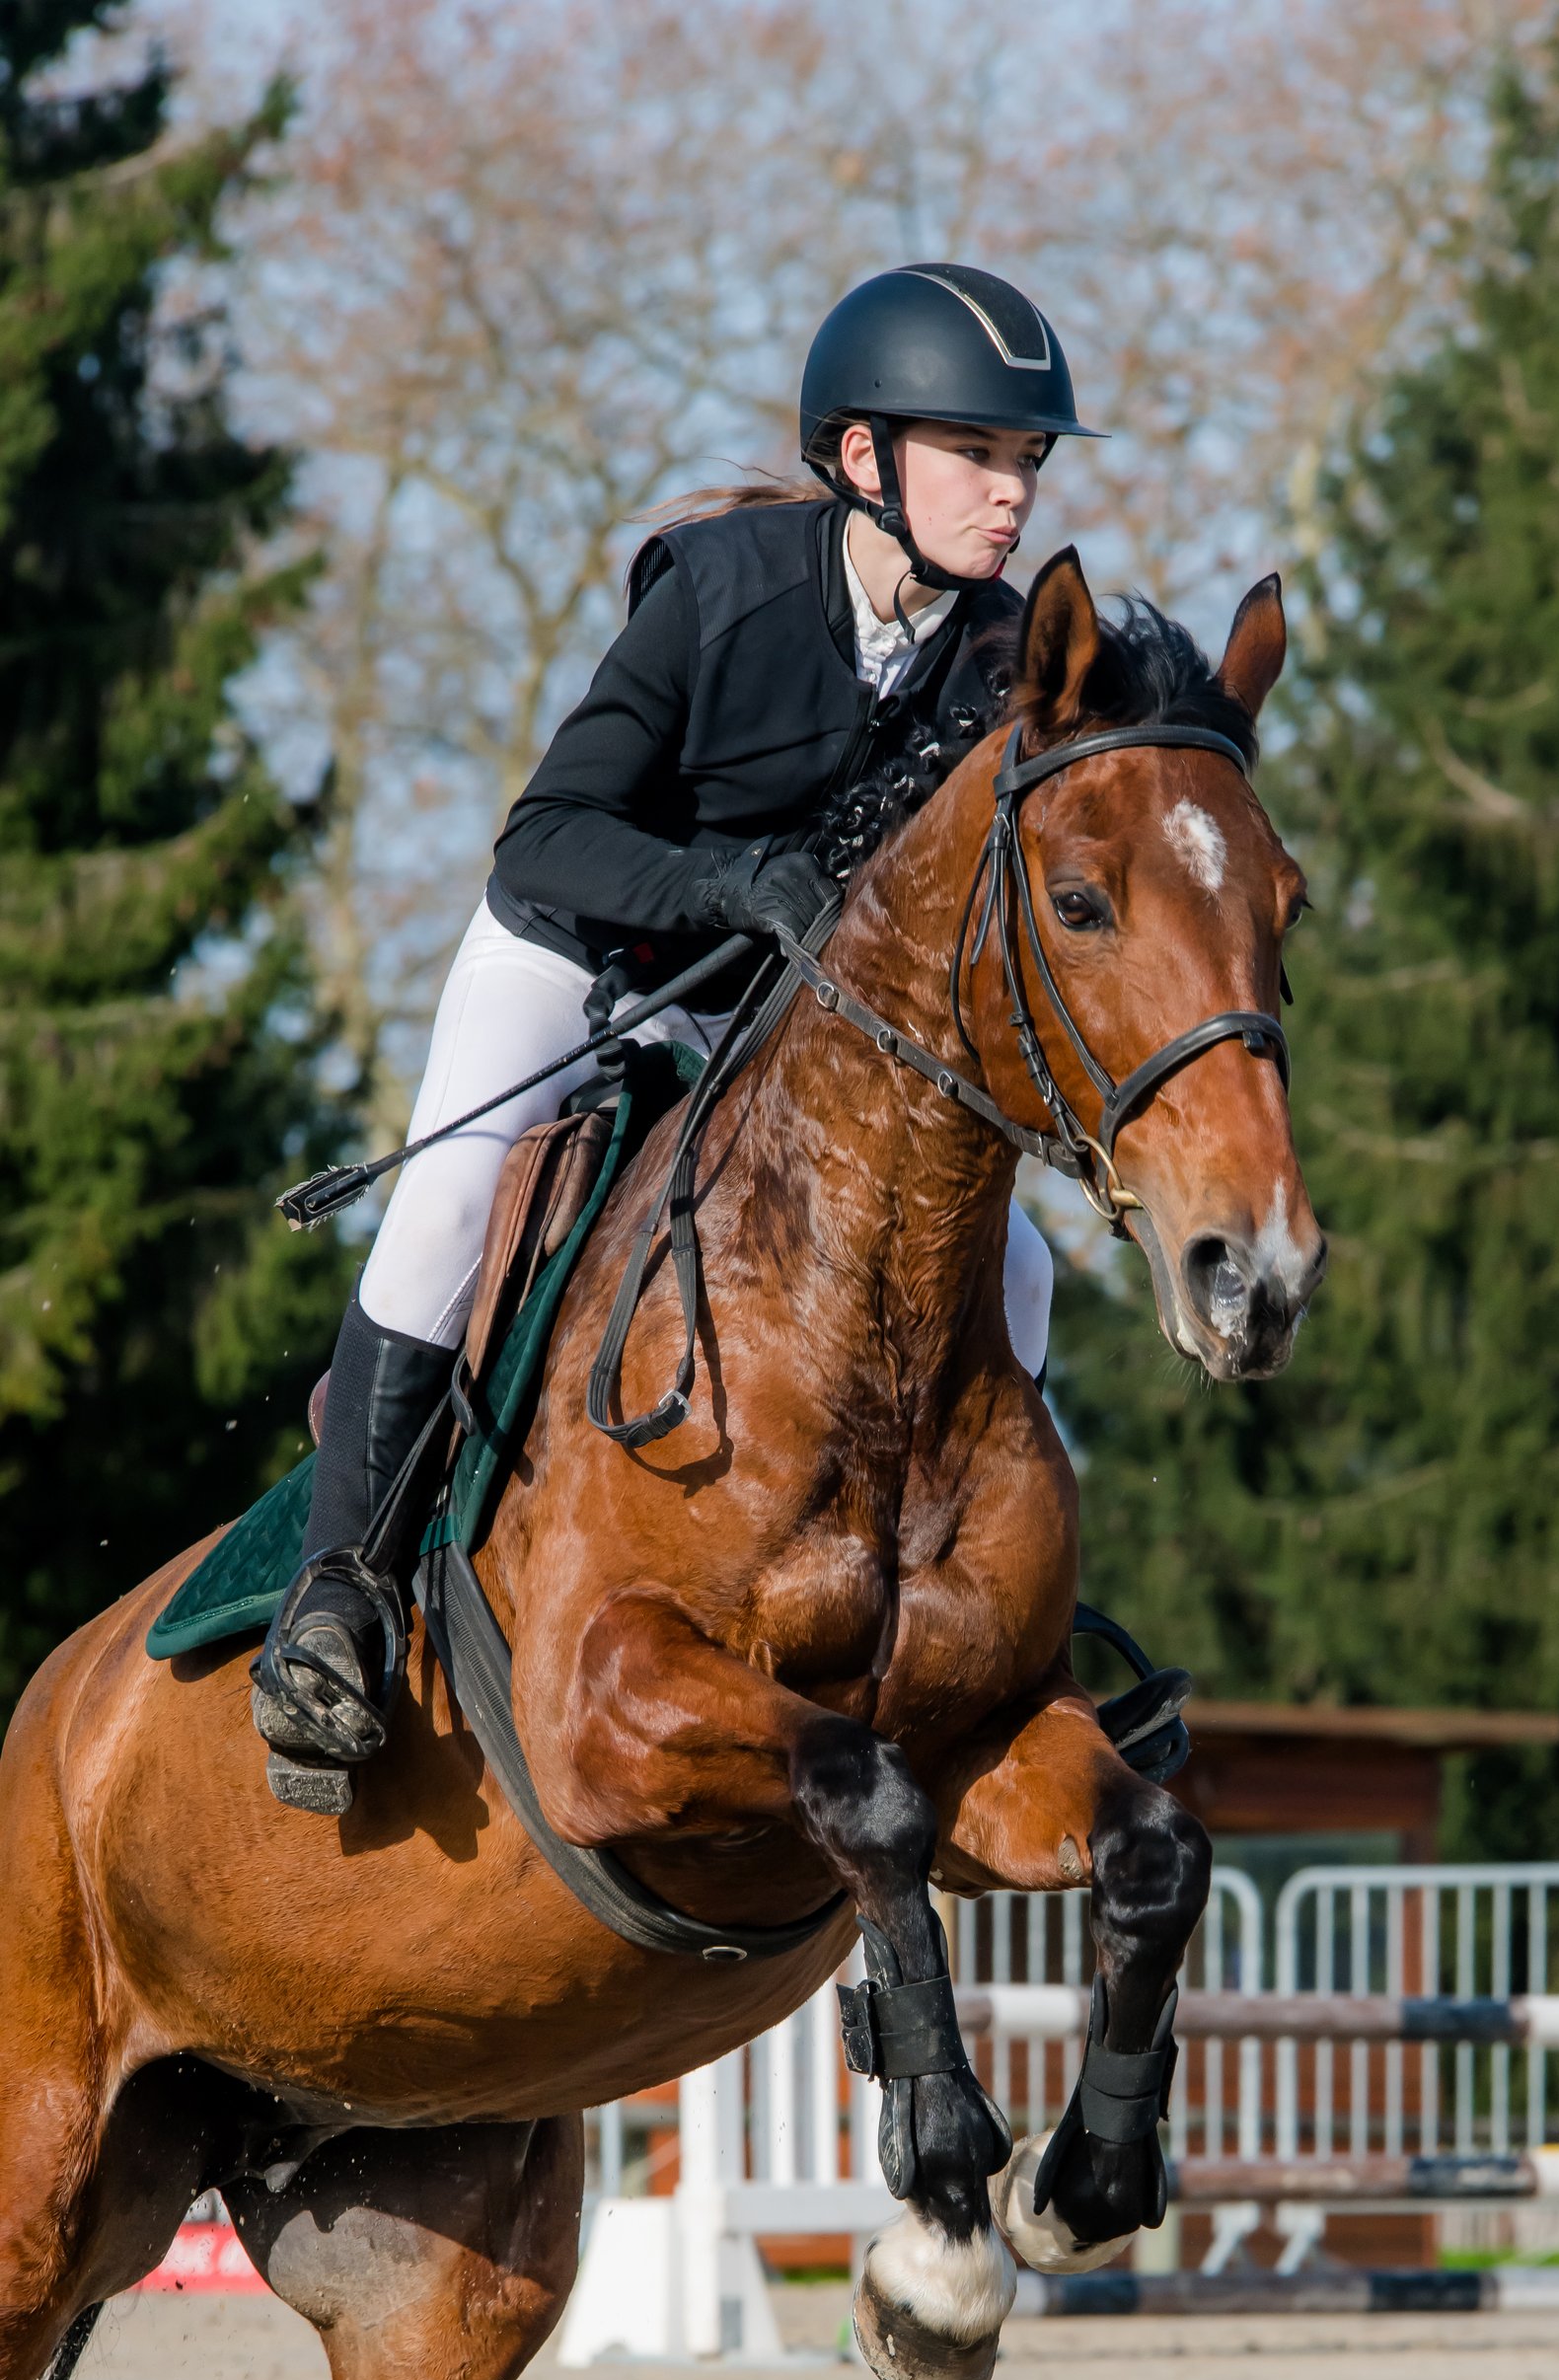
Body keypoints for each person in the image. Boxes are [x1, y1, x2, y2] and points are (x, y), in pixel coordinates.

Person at [252, 261, 1094, 1800]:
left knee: (1020, 1265)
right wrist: (731, 883)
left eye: (1026, 459)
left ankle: (969, 1597)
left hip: (758, 1013)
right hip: (575, 955)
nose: (1012, 493)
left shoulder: (992, 661)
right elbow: (546, 836)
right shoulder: (719, 592)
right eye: (978, 453)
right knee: (448, 1205)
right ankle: (340, 1594)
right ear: (864, 458)